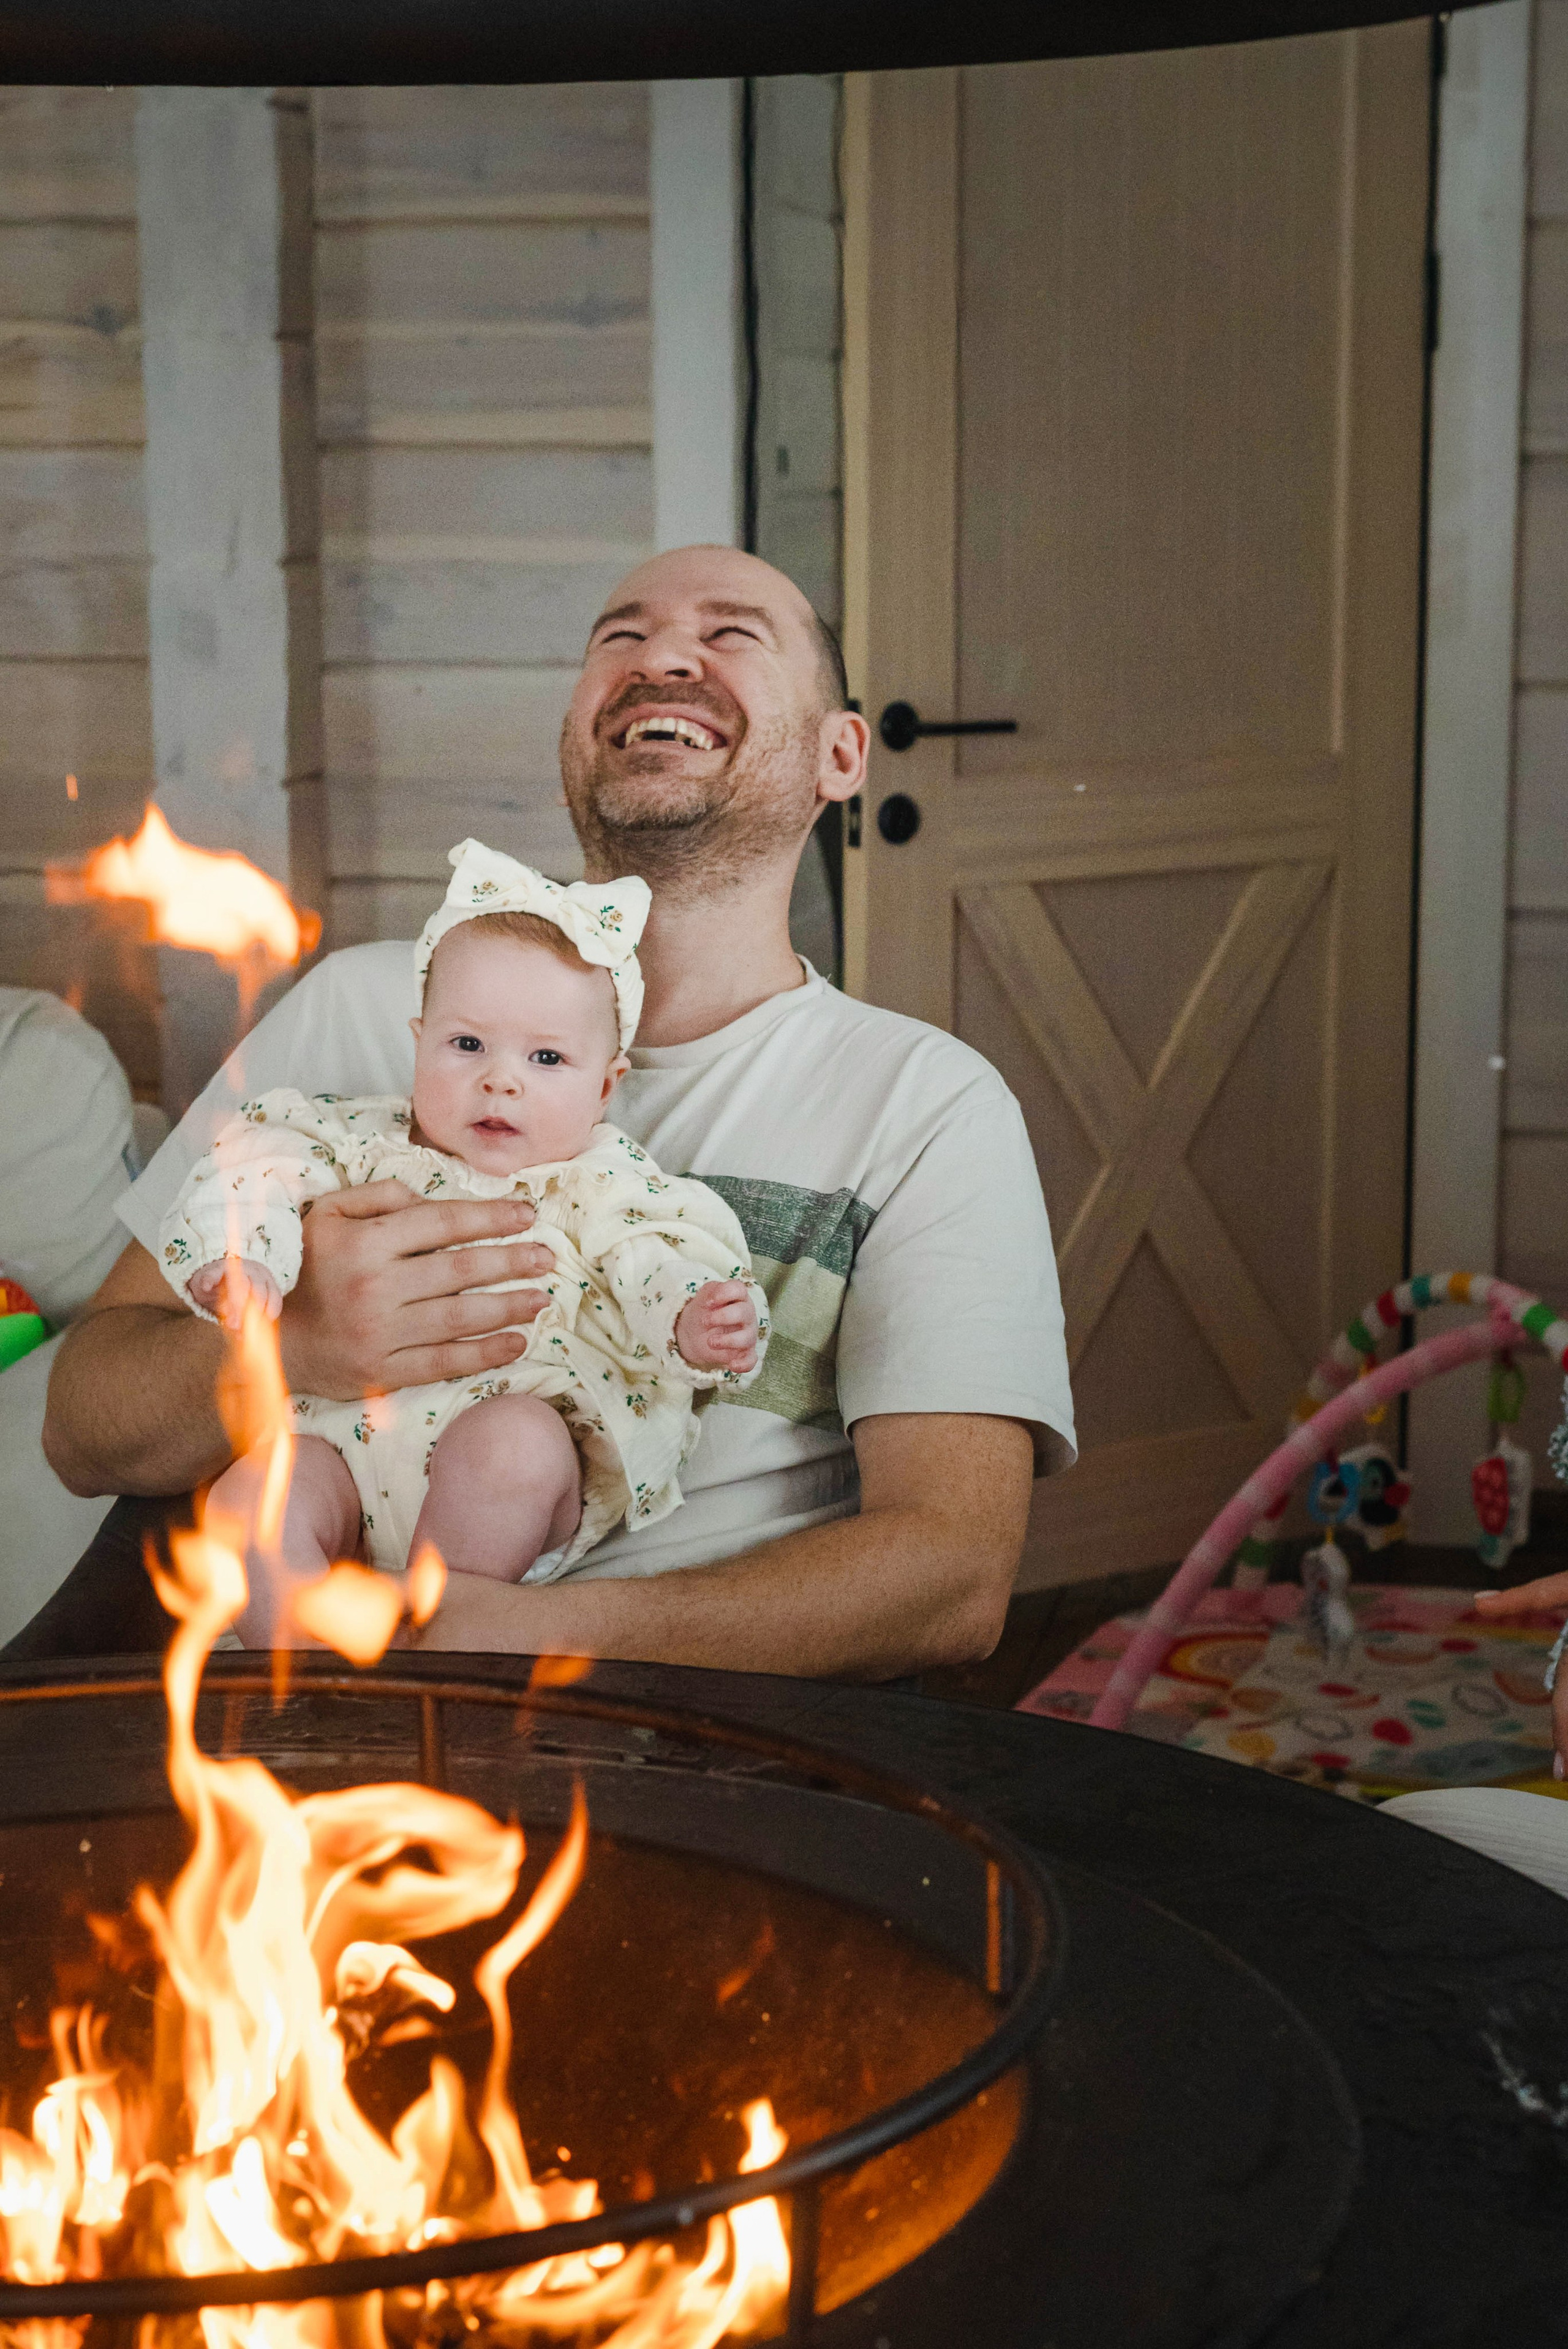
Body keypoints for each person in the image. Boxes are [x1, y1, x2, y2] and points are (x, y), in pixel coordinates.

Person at [42, 544, 1076, 1678]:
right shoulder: (357, 1010)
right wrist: (298, 1351)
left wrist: (498, 1640)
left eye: (731, 633)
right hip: (291, 1710)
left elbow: (954, 1578)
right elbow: (81, 1427)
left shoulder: (925, 1105)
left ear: (841, 756)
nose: (662, 656)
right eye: (619, 639)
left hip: (672, 1737)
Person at [162, 844, 767, 1639]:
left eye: (547, 1058)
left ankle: (439, 1642)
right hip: (337, 1443)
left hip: (503, 1453)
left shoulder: (599, 1181)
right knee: (246, 1501)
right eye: (467, 1045)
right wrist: (245, 1255)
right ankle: (314, 1681)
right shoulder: (358, 1141)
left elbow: (654, 1256)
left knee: (512, 1448)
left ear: (605, 1086)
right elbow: (255, 1165)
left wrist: (691, 1315)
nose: (501, 1080)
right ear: (419, 1041)